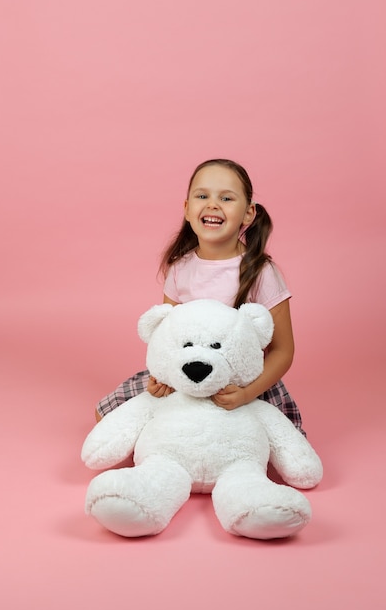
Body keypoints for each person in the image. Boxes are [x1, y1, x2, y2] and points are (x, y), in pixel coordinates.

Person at [95, 158, 305, 435]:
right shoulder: (180, 268)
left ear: (248, 213)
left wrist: (245, 393)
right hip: (187, 374)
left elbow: (283, 350)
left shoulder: (260, 271)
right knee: (104, 417)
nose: (213, 204)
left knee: (259, 440)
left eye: (227, 198)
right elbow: (168, 337)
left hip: (239, 383)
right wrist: (163, 377)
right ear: (187, 209)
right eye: (202, 195)